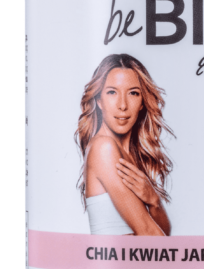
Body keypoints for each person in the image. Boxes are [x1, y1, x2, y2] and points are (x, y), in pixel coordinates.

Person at [75, 53, 176, 236]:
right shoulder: (104, 148)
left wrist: (154, 200)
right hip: (116, 257)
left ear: (142, 102)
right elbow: (150, 234)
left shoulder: (131, 157)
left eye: (133, 93)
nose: (122, 105)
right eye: (112, 92)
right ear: (99, 100)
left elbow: (165, 235)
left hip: (136, 257)